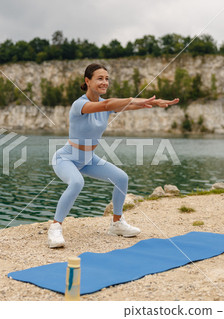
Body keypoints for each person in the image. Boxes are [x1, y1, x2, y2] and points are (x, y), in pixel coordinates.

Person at [48, 63, 179, 248]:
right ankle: (55, 228)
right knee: (77, 182)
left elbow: (127, 106)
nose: (105, 82)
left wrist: (153, 103)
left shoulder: (106, 106)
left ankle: (117, 223)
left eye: (107, 79)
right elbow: (107, 104)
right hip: (66, 158)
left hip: (88, 159)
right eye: (100, 78)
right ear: (87, 81)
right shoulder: (80, 104)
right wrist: (136, 99)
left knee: (121, 178)